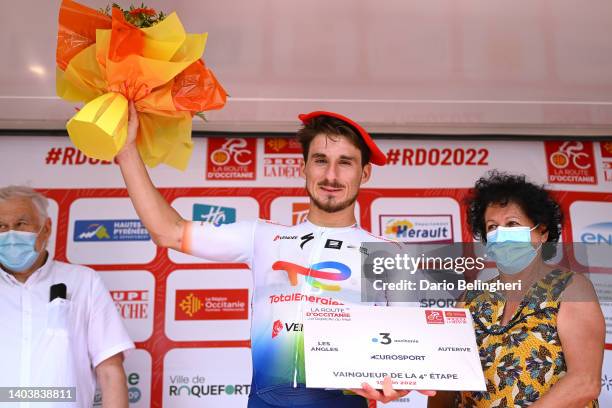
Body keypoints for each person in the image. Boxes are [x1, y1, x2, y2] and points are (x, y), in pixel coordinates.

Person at [117, 104, 434, 407]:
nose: (332, 175)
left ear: (365, 173)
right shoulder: (263, 236)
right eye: (321, 160)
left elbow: (405, 354)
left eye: (345, 162)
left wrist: (396, 381)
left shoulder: (389, 255)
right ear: (304, 167)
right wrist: (127, 150)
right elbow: (168, 231)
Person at [428, 171, 604, 408]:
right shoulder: (469, 301)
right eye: (492, 227)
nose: (501, 234)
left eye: (512, 224)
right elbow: (445, 386)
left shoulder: (570, 288)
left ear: (542, 232)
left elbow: (585, 382)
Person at [0, 186, 135, 407]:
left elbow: (110, 370)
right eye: (1, 227)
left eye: (21, 224)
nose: (11, 235)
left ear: (46, 228)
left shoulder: (84, 282)